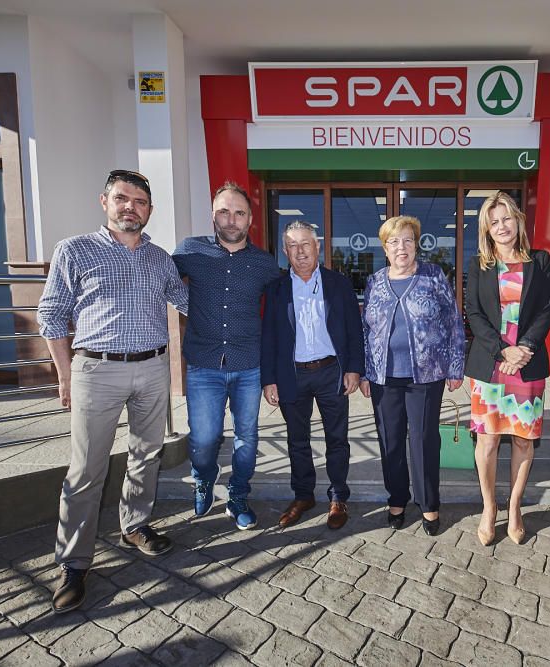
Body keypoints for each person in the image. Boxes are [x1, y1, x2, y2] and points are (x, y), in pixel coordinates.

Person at [37, 169, 189, 614]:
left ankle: (135, 525)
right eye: (123, 198)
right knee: (86, 469)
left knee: (147, 452)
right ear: (103, 201)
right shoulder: (74, 250)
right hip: (97, 370)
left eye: (140, 202)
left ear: (149, 211)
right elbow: (51, 315)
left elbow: (183, 301)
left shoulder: (159, 257)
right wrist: (66, 375)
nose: (131, 207)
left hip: (152, 366)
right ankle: (73, 563)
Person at [172, 182, 279, 528]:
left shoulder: (264, 264)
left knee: (247, 436)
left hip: (249, 364)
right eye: (224, 211)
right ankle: (204, 477)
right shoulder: (190, 251)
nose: (231, 219)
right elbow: (157, 281)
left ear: (250, 219)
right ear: (213, 215)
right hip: (204, 365)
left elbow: (283, 312)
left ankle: (237, 495)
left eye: (239, 212)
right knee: (204, 438)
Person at [360, 216, 466, 535]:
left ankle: (429, 504)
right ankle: (397, 500)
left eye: (407, 240)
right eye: (394, 242)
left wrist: (455, 365)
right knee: (390, 441)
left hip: (426, 374)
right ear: (385, 248)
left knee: (423, 441)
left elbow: (453, 322)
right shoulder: (375, 281)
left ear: (416, 243)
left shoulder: (433, 276)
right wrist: (366, 372)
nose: (401, 247)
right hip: (383, 376)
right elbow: (366, 331)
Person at [261, 221, 365, 530]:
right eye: (292, 245)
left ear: (317, 246)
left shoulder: (338, 283)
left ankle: (338, 496)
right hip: (292, 375)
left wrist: (354, 369)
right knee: (297, 440)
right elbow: (268, 336)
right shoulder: (277, 289)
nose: (300, 251)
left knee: (337, 438)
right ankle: (303, 495)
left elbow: (353, 331)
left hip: (331, 371)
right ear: (285, 252)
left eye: (305, 244)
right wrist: (269, 379)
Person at [465, 191, 550, 546]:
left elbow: (547, 308)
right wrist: (504, 351)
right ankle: (489, 507)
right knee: (487, 440)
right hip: (491, 365)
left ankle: (515, 506)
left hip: (528, 364)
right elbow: (474, 313)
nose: (502, 227)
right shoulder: (479, 265)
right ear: (487, 228)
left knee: (522, 439)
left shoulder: (540, 261)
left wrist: (526, 348)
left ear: (518, 221)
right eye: (494, 221)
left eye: (507, 219)